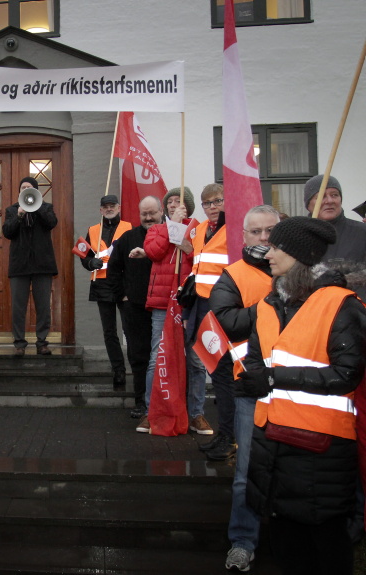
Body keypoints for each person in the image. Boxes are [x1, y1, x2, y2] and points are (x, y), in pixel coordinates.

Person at [242, 216, 365, 575]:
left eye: (277, 247)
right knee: (285, 544)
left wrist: (274, 378)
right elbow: (255, 361)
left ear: (300, 255)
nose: (268, 253)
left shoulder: (342, 305)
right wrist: (250, 378)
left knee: (325, 546)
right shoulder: (269, 304)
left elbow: (346, 375)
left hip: (320, 449)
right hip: (272, 444)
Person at [207, 205, 279, 571]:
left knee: (295, 470)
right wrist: (269, 306)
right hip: (252, 385)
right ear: (244, 236)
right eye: (256, 232)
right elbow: (225, 321)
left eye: (270, 231)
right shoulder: (233, 275)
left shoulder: (302, 273)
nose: (264, 239)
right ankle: (242, 540)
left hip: (295, 387)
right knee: (246, 471)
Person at [137, 187, 195, 432]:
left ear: (188, 206)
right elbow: (155, 252)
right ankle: (152, 411)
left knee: (194, 361)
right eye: (170, 202)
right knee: (156, 358)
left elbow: (195, 256)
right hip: (163, 302)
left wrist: (184, 236)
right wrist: (175, 227)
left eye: (178, 202)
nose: (173, 205)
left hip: (190, 301)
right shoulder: (157, 229)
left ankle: (196, 413)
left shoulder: (198, 228)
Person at [106, 197, 160, 419]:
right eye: (144, 213)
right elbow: (113, 270)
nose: (148, 218)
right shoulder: (128, 238)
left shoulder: (170, 237)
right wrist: (123, 297)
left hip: (164, 308)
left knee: (164, 356)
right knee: (139, 355)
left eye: (152, 213)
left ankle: (163, 402)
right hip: (135, 308)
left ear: (161, 211)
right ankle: (141, 402)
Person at [182, 183, 228, 437]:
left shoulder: (236, 229)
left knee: (224, 367)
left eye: (217, 201)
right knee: (197, 363)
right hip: (199, 306)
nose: (212, 207)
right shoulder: (198, 230)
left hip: (226, 308)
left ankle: (227, 427)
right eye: (207, 203)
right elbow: (195, 271)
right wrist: (188, 314)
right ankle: (197, 414)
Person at [79, 194, 132, 389]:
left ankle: (136, 367)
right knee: (109, 332)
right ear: (100, 210)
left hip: (124, 284)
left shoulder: (128, 228)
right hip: (101, 284)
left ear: (119, 208)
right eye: (105, 207)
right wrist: (89, 262)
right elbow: (83, 254)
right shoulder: (92, 230)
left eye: (112, 206)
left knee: (129, 329)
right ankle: (118, 369)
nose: (109, 209)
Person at [2, 177, 58, 356]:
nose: (25, 189)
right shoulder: (11, 210)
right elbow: (7, 232)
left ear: (36, 190)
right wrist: (19, 214)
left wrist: (37, 205)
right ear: (19, 192)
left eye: (29, 187)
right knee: (18, 307)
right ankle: (19, 343)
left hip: (42, 265)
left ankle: (42, 342)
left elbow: (51, 223)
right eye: (23, 187)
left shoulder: (46, 207)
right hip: (20, 265)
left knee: (43, 306)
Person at [303, 174, 366, 266]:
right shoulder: (299, 236)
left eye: (334, 195)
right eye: (322, 196)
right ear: (308, 205)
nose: (329, 201)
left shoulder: (362, 232)